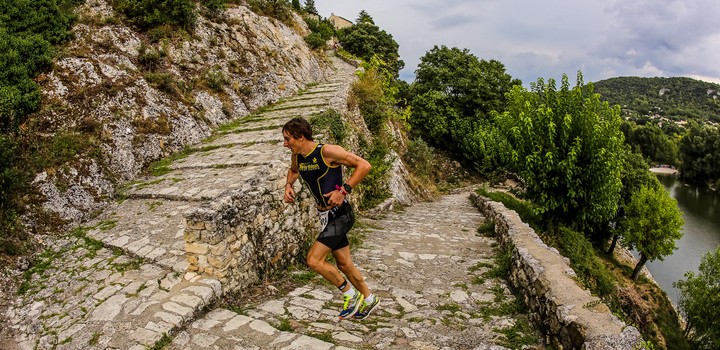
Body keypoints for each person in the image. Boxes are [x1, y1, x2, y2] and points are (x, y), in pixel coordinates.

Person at [282, 117, 380, 320]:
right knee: (343, 263)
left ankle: (350, 295)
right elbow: (293, 171)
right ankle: (370, 299)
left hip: (341, 215)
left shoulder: (327, 152)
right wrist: (288, 186)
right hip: (325, 216)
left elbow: (364, 165)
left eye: (287, 139)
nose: (285, 144)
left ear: (300, 137)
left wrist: (344, 191)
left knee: (314, 260)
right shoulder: (297, 156)